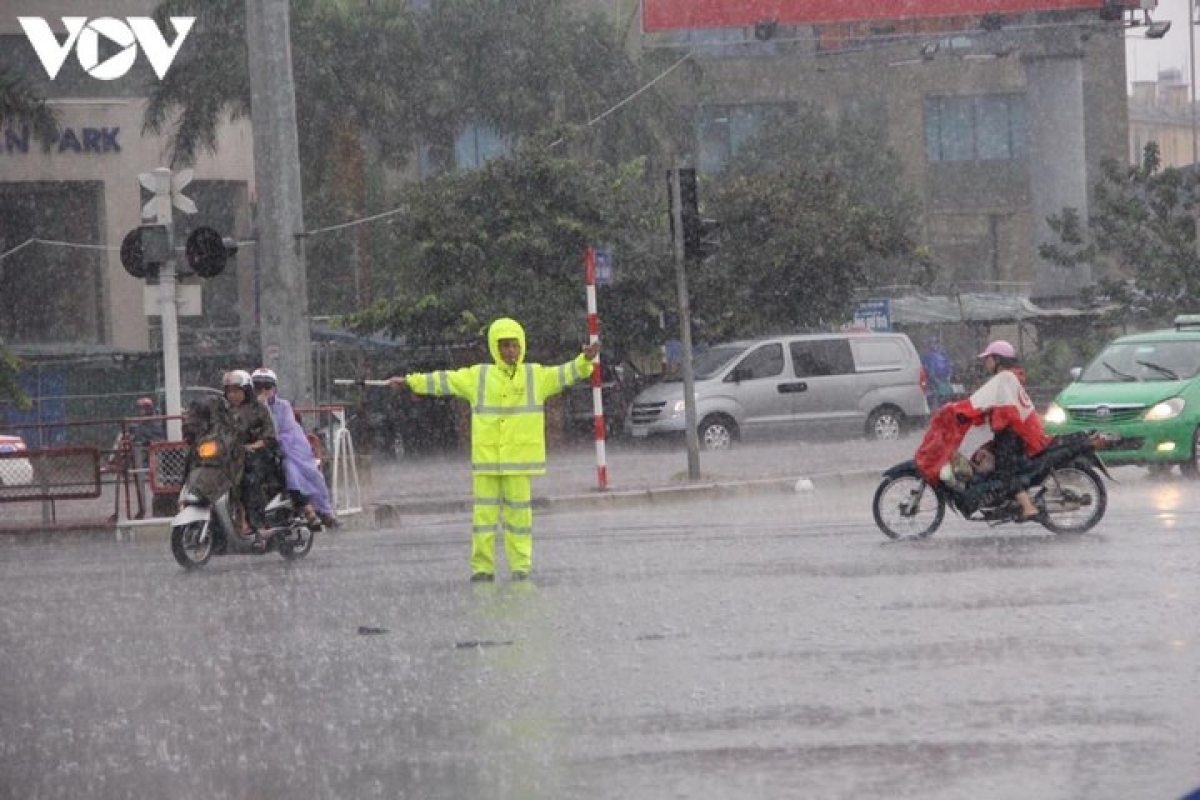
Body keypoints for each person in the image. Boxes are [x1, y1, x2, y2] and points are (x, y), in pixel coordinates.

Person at [387, 317, 600, 582]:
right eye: (504, 346)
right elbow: (444, 381)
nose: (511, 351)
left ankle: (520, 567)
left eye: (514, 345)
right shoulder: (479, 377)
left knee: (519, 520)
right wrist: (410, 382)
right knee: (483, 519)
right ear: (494, 348)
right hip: (488, 461)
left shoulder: (535, 376)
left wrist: (584, 360)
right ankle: (482, 568)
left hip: (519, 462)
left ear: (522, 346)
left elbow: (565, 373)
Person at [954, 340, 1051, 521]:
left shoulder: (1004, 378)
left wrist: (962, 411)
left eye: (988, 359)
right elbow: (991, 403)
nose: (986, 363)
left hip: (1014, 435)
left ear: (998, 359)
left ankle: (1028, 507)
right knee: (981, 455)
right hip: (1014, 432)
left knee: (1004, 470)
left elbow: (993, 406)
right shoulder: (1009, 377)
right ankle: (1003, 501)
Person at [250, 367, 338, 528]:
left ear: (274, 388)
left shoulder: (282, 406)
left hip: (287, 450)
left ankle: (318, 511)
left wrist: (265, 411)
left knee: (297, 471)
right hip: (256, 451)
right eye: (258, 387)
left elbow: (285, 431)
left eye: (267, 387)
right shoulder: (247, 408)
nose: (263, 391)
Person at [223, 369, 283, 541]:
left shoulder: (259, 409)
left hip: (259, 456)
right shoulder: (224, 413)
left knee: (248, 480)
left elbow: (270, 436)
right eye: (229, 391)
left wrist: (253, 446)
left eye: (236, 390)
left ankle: (257, 523)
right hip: (231, 457)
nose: (232, 395)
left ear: (246, 390)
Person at [922, 339, 953, 410]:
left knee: (946, 399)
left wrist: (948, 376)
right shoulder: (927, 356)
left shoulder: (943, 354)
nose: (934, 345)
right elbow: (927, 369)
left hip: (944, 381)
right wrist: (934, 379)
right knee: (935, 401)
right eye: (932, 343)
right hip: (933, 383)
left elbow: (949, 365)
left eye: (936, 343)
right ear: (929, 345)